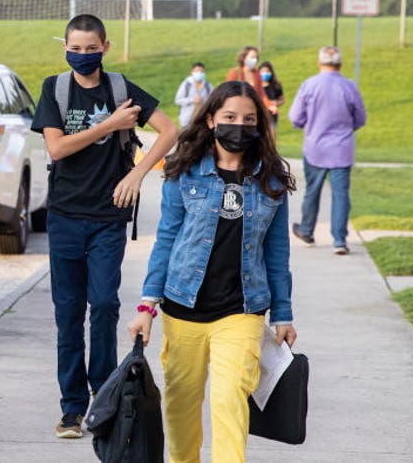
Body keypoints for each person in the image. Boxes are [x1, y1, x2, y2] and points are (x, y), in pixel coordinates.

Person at [127, 80, 297, 463]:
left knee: (229, 397)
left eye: (249, 119)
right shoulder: (182, 174)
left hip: (241, 311)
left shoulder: (270, 181)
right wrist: (146, 305)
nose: (240, 126)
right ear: (210, 121)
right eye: (230, 117)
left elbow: (277, 252)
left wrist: (283, 313)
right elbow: (166, 241)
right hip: (182, 308)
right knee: (182, 408)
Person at [30, 14, 179, 439]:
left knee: (106, 304)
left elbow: (169, 131)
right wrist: (110, 125)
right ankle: (72, 407)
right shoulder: (55, 88)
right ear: (65, 47)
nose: (82, 55)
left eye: (90, 48)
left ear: (105, 47)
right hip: (64, 215)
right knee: (68, 312)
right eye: (74, 48)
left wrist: (137, 174)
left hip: (108, 218)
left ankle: (104, 395)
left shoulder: (120, 88)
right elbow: (57, 148)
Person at [287, 46, 367, 255]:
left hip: (315, 148)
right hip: (342, 149)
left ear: (319, 62)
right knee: (341, 195)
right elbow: (360, 118)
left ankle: (306, 230)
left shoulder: (310, 85)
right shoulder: (349, 87)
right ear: (340, 64)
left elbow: (295, 116)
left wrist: (308, 124)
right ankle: (339, 240)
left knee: (312, 192)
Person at [225, 46, 271, 115]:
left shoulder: (257, 74)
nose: (254, 60)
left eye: (256, 58)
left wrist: (270, 106)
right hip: (236, 110)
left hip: (252, 110)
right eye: (252, 57)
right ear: (244, 58)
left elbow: (261, 94)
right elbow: (227, 92)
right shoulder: (235, 72)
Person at [174, 62, 213, 128]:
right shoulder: (186, 85)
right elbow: (178, 100)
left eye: (202, 71)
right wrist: (192, 100)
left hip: (202, 120)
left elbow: (212, 100)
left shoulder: (208, 86)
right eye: (197, 71)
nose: (199, 73)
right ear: (192, 72)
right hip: (187, 120)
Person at [258, 61, 286, 128]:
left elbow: (282, 100)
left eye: (267, 71)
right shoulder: (256, 86)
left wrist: (276, 103)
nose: (265, 73)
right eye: (263, 71)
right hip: (259, 117)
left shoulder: (276, 85)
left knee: (271, 136)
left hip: (272, 117)